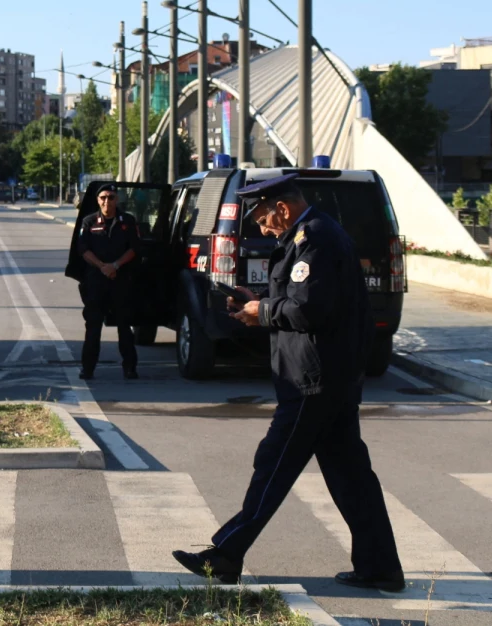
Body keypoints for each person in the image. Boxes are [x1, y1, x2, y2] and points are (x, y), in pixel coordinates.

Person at [171, 174, 405, 592]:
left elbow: (308, 310)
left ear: (282, 207)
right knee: (351, 478)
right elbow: (299, 299)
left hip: (313, 380)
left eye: (263, 219)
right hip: (328, 376)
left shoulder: (315, 240)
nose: (261, 229)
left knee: (273, 465)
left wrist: (262, 312)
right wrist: (256, 301)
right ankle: (380, 566)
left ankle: (226, 554)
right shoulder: (307, 237)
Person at [75, 183, 140, 380]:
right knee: (93, 328)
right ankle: (88, 368)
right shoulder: (89, 222)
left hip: (120, 280)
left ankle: (130, 368)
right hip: (96, 282)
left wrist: (115, 266)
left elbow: (134, 248)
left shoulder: (127, 221)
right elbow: (83, 249)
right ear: (97, 200)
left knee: (124, 327)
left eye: (111, 197)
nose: (107, 201)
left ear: (116, 199)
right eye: (103, 198)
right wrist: (103, 267)